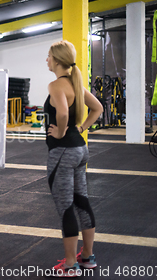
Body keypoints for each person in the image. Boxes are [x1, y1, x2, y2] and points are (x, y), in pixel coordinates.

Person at [44, 40, 103, 277]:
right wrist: (81, 129)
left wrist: (60, 131)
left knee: (66, 207)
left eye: (48, 56)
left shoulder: (56, 85)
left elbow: (63, 112)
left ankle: (70, 264)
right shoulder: (76, 84)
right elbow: (98, 108)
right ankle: (87, 256)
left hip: (62, 152)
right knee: (82, 202)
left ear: (57, 60)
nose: (46, 59)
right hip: (80, 149)